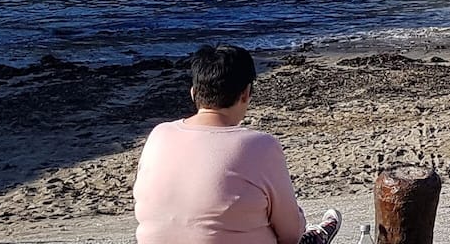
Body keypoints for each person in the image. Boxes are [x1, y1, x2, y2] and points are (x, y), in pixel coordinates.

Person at [133, 45, 340, 244]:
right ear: (245, 94)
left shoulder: (159, 135)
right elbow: (290, 234)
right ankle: (318, 234)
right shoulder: (259, 146)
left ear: (194, 92)